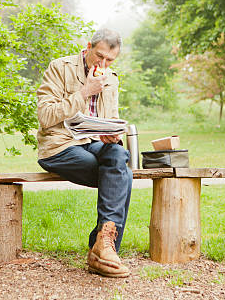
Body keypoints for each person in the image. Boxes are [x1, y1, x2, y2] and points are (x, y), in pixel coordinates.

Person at [36, 28, 132, 278]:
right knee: (123, 176)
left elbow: (109, 118)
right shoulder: (60, 67)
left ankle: (102, 248)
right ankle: (103, 251)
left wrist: (112, 134)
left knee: (118, 156)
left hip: (92, 142)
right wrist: (84, 92)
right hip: (59, 146)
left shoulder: (111, 78)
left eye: (110, 60)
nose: (103, 64)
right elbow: (45, 117)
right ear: (88, 46)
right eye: (99, 56)